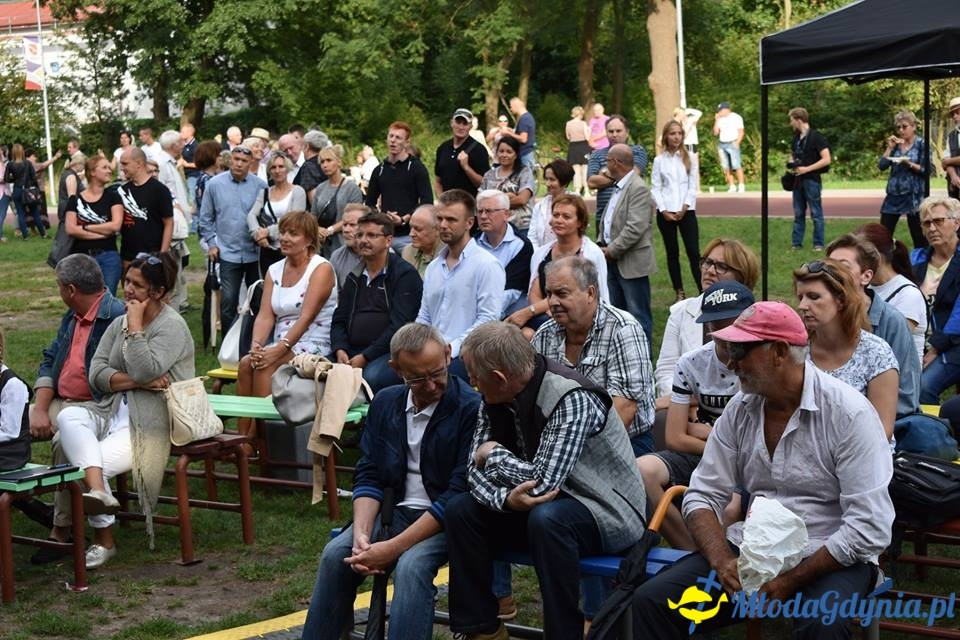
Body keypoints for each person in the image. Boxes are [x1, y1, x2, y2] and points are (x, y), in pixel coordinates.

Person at [629, 301, 894, 640]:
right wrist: (722, 560)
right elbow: (701, 496)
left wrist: (791, 579)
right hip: (754, 549)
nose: (730, 361)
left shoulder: (849, 414)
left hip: (831, 553)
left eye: (740, 350)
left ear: (780, 352)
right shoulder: (740, 409)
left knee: (822, 624)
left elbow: (868, 526)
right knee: (652, 601)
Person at [445, 322, 647, 640]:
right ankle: (482, 630)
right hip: (538, 505)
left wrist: (494, 454)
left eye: (474, 375)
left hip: (606, 511)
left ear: (498, 377)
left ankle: (563, 635)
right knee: (461, 510)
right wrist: (504, 500)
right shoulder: (494, 395)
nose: (470, 382)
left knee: (548, 519)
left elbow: (542, 483)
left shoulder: (571, 397)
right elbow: (473, 473)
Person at [301, 323, 481, 640]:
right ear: (395, 369)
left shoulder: (470, 408)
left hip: (447, 520)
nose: (432, 385)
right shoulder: (386, 403)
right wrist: (361, 536)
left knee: (412, 567)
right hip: (391, 511)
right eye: (416, 378)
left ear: (449, 354)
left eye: (438, 372)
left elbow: (457, 493)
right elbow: (369, 471)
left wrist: (391, 548)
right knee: (336, 555)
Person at [54, 252, 194, 569]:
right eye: (127, 280)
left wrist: (135, 328)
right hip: (112, 410)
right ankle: (99, 492)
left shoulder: (171, 326)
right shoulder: (119, 322)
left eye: (138, 285)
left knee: (90, 463)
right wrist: (137, 382)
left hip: (152, 424)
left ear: (158, 292)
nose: (128, 289)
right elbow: (97, 373)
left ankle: (104, 541)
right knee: (67, 416)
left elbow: (147, 367)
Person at [638, 280, 754, 549]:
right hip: (705, 455)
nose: (724, 334)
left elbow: (760, 435)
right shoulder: (691, 363)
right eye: (715, 325)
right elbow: (675, 438)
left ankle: (720, 562)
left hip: (748, 461)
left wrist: (703, 429)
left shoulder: (761, 362)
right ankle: (690, 550)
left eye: (731, 323)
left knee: (731, 508)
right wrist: (719, 438)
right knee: (643, 470)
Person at [533, 255, 654, 456]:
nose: (552, 302)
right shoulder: (544, 334)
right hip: (559, 445)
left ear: (590, 293)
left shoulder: (623, 330)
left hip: (625, 444)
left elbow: (624, 411)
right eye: (549, 294)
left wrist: (573, 454)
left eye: (562, 293)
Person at [236, 211, 337, 439]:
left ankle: (259, 438)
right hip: (282, 340)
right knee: (245, 364)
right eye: (282, 232)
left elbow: (306, 317)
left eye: (293, 233)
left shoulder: (321, 269)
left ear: (309, 240)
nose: (284, 238)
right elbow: (265, 315)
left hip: (314, 341)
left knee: (264, 366)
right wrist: (256, 346)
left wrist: (277, 350)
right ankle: (242, 436)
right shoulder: (275, 270)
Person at [794, 258, 899, 439]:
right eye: (800, 297)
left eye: (813, 297)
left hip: (863, 459)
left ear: (841, 300)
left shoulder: (876, 353)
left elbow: (882, 431)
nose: (802, 306)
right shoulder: (795, 351)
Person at [826, 234, 921, 421]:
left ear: (866, 276)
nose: (832, 274)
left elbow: (907, 396)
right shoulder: (819, 319)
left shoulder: (892, 322)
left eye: (843, 267)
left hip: (875, 426)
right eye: (828, 267)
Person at [655, 237, 759, 402]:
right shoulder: (681, 312)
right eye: (707, 262)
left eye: (721, 267)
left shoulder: (755, 317)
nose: (710, 271)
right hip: (685, 409)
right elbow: (666, 371)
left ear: (742, 277)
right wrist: (684, 404)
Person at [415, 189, 504, 380]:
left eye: (451, 220)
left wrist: (450, 348)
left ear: (469, 223)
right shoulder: (433, 268)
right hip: (433, 353)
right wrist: (416, 344)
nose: (443, 225)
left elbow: (488, 320)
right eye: (439, 219)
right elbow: (425, 315)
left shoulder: (487, 265)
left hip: (469, 354)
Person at [330, 212, 423, 392]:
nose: (364, 240)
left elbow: (399, 326)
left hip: (389, 352)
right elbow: (339, 319)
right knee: (320, 372)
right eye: (360, 235)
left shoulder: (404, 275)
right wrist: (340, 348)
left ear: (388, 241)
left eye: (372, 235)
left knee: (369, 378)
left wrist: (365, 356)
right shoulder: (355, 275)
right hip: (351, 350)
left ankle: (367, 420)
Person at [508, 194, 608, 338]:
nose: (559, 220)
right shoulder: (541, 254)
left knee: (528, 335)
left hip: (579, 317)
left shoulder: (591, 254)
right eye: (556, 215)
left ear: (580, 222)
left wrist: (530, 311)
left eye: (566, 217)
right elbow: (534, 293)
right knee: (522, 335)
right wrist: (547, 310)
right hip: (546, 316)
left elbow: (592, 296)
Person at [198, 146, 267, 333]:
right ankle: (228, 343)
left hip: (254, 253)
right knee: (228, 300)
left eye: (244, 161)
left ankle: (254, 339)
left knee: (258, 299)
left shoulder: (260, 186)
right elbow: (205, 219)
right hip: (227, 253)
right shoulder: (214, 184)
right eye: (236, 159)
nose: (239, 163)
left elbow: (265, 217)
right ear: (230, 160)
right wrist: (212, 244)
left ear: (250, 163)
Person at [598, 144, 655, 346]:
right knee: (617, 317)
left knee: (638, 318)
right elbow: (611, 220)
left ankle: (644, 366)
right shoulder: (620, 186)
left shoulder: (637, 188)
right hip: (612, 260)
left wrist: (610, 251)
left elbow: (635, 228)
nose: (605, 166)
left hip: (630, 263)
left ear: (615, 162)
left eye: (607, 161)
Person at [912, 196, 960, 403]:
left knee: (922, 387)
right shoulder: (916, 259)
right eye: (926, 223)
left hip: (953, 342)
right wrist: (919, 292)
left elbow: (959, 315)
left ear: (956, 223)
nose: (932, 228)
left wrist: (934, 350)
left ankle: (933, 433)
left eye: (938, 221)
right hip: (918, 339)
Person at [857, 222, 927, 360]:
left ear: (878, 257)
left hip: (899, 376)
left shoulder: (908, 294)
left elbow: (891, 344)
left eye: (858, 257)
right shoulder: (867, 288)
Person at [364, 121, 434, 251]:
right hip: (385, 234)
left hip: (409, 234)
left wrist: (404, 219)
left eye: (398, 138)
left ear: (406, 142)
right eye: (391, 136)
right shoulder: (379, 170)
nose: (393, 141)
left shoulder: (416, 168)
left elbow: (427, 202)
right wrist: (382, 218)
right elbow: (369, 203)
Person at [653, 119, 701, 302]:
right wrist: (663, 209)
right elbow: (656, 187)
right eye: (673, 133)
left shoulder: (690, 157)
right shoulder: (659, 161)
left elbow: (692, 185)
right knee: (672, 252)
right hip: (666, 212)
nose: (676, 137)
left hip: (686, 211)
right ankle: (679, 291)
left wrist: (685, 206)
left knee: (693, 252)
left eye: (679, 133)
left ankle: (702, 288)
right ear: (666, 136)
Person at [64, 156, 124, 294]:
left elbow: (115, 226)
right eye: (104, 167)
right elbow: (71, 229)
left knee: (107, 298)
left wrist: (85, 227)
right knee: (82, 299)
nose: (109, 170)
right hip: (82, 257)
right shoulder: (75, 200)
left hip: (108, 256)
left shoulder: (113, 197)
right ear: (92, 172)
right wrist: (103, 231)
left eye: (109, 167)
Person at [475, 189, 533, 318]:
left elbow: (511, 291)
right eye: (480, 211)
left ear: (506, 214)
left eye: (489, 211)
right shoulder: (472, 244)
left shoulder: (521, 246)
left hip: (508, 314)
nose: (483, 216)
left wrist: (481, 314)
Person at [248, 151, 307, 276]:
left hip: (291, 250)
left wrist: (268, 231)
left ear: (287, 169)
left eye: (281, 166)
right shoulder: (264, 192)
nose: (277, 170)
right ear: (269, 171)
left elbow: (294, 221)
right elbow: (251, 215)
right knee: (268, 288)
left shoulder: (298, 192)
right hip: (268, 249)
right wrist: (258, 234)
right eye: (273, 167)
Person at [586, 115, 648, 231]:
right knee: (604, 248)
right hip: (604, 216)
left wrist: (605, 172)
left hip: (630, 215)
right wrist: (622, 174)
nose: (614, 134)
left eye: (618, 131)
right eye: (611, 131)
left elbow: (633, 175)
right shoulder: (596, 155)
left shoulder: (636, 151)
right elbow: (591, 182)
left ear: (627, 132)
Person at [117, 147, 173, 272]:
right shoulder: (122, 191)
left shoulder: (159, 190)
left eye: (125, 163)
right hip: (128, 256)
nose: (121, 168)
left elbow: (169, 223)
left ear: (139, 164)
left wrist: (162, 255)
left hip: (152, 255)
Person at [879, 110, 929, 249]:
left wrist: (909, 164)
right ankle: (884, 261)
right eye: (898, 127)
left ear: (913, 126)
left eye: (904, 126)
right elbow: (882, 165)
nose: (901, 130)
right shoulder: (895, 145)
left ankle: (921, 264)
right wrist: (889, 148)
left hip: (914, 195)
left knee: (918, 236)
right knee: (883, 234)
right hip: (894, 194)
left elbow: (927, 170)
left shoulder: (921, 144)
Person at [788, 107, 832, 251]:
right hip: (797, 180)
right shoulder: (796, 138)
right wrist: (792, 162)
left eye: (792, 120)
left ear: (798, 120)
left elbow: (826, 159)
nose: (791, 124)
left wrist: (807, 169)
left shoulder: (816, 137)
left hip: (811, 179)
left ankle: (818, 243)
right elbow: (793, 154)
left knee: (816, 213)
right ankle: (796, 243)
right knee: (798, 212)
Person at [312, 144, 364, 259]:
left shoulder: (352, 188)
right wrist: (318, 229)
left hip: (345, 243)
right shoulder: (320, 188)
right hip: (322, 246)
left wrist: (330, 230)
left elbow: (356, 217)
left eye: (329, 160)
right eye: (322, 162)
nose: (325, 165)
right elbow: (313, 215)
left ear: (339, 162)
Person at [478, 136, 536, 238]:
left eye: (509, 152)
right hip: (495, 228)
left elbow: (522, 200)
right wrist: (507, 197)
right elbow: (480, 200)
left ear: (516, 155)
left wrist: (492, 203)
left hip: (521, 228)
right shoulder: (489, 174)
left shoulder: (524, 172)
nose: (504, 155)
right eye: (501, 151)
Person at [434, 108, 490, 196]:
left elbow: (485, 185)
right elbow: (438, 181)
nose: (461, 127)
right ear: (452, 123)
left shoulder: (479, 150)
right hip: (447, 205)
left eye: (465, 124)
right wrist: (441, 200)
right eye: (458, 122)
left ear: (471, 126)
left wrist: (466, 167)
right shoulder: (443, 148)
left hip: (469, 206)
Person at [527, 159, 575, 251]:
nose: (548, 184)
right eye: (546, 179)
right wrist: (540, 255)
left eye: (552, 180)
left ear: (564, 181)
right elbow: (532, 236)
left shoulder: (575, 203)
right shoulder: (540, 206)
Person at [5, 143, 47, 240]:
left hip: (17, 190)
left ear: (13, 152)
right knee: (35, 212)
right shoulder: (28, 163)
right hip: (28, 190)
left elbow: (6, 178)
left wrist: (15, 179)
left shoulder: (10, 164)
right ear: (22, 152)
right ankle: (43, 234)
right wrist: (37, 190)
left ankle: (25, 236)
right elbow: (33, 178)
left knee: (20, 213)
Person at [329, 203, 368, 288]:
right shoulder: (337, 257)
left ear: (367, 226)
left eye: (352, 225)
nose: (346, 230)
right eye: (344, 225)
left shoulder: (383, 254)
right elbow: (334, 294)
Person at [401, 204, 442, 278]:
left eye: (418, 229)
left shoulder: (449, 254)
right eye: (411, 228)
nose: (411, 234)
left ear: (437, 230)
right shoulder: (407, 251)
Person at [712, 101, 745, 192]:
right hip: (722, 143)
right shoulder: (720, 119)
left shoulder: (736, 117)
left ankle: (741, 185)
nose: (719, 112)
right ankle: (732, 185)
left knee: (736, 164)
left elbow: (741, 131)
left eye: (720, 111)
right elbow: (715, 133)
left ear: (726, 109)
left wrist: (738, 142)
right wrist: (716, 120)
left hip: (732, 142)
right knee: (725, 166)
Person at [503, 97, 537, 170]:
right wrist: (512, 130)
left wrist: (508, 133)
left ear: (516, 106)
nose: (511, 109)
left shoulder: (524, 119)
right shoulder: (528, 117)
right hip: (527, 153)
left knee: (526, 179)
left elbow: (523, 139)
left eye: (511, 107)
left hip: (525, 154)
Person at [299, 129, 331, 206]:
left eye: (303, 146)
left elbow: (314, 201)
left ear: (307, 146)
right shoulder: (328, 163)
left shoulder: (308, 166)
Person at [565, 106, 591, 196]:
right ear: (580, 114)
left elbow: (568, 137)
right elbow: (587, 137)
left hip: (573, 147)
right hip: (584, 147)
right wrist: (589, 131)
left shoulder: (568, 124)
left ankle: (577, 190)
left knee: (576, 170)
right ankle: (587, 190)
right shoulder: (583, 123)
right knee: (585, 169)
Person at [58, 151, 86, 224]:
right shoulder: (71, 176)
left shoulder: (68, 173)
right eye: (84, 165)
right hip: (68, 210)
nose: (84, 167)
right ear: (78, 164)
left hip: (65, 207)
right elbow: (72, 197)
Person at [940, 97, 960, 200]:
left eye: (958, 112)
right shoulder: (951, 135)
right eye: (952, 114)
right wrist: (954, 177)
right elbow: (944, 161)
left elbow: (946, 161)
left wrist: (949, 161)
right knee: (954, 215)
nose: (955, 116)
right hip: (954, 187)